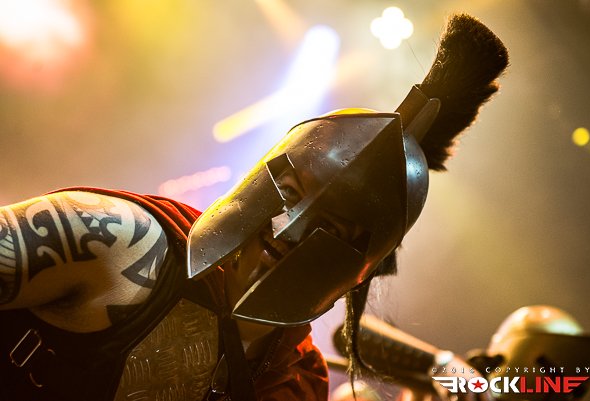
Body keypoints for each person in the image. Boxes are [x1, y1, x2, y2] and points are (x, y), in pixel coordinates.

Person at [0, 14, 508, 401]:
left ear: (362, 269)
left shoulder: (296, 381)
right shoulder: (113, 240)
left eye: (330, 230)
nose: (287, 228)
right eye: (289, 191)